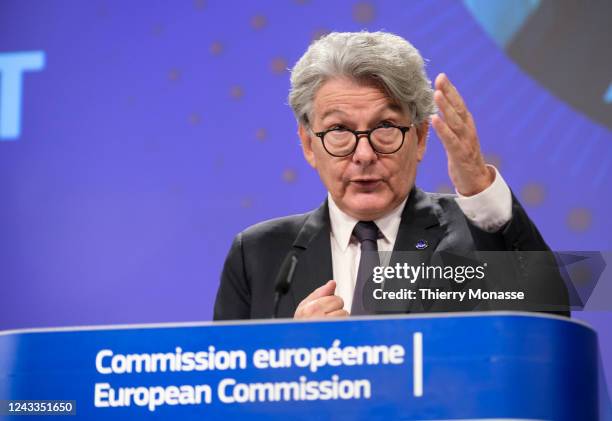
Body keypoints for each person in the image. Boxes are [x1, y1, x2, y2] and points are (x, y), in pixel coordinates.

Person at [213, 31, 568, 320]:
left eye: (385, 126)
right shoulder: (259, 254)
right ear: (308, 144)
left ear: (419, 138)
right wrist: (290, 357)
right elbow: (223, 397)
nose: (364, 154)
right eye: (339, 129)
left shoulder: (474, 236)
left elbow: (550, 321)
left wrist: (478, 186)